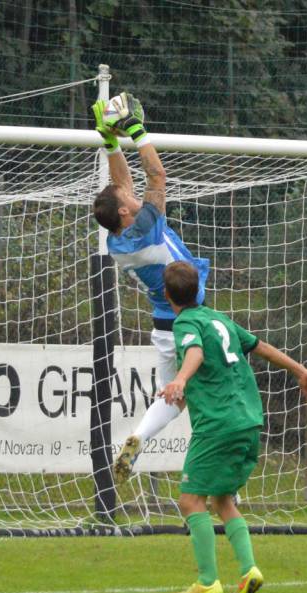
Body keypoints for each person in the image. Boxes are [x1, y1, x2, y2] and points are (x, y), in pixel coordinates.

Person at [158, 261, 307, 593]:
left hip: (218, 423)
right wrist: (301, 371)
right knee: (222, 499)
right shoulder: (219, 319)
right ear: (199, 290)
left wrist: (180, 379)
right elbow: (259, 346)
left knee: (190, 500)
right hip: (248, 418)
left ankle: (207, 581)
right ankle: (249, 571)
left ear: (166, 295)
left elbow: (196, 352)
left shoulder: (185, 322)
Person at [91, 92, 210, 482]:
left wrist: (109, 139)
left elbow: (120, 183)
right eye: (128, 198)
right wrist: (136, 130)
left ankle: (139, 436)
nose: (132, 193)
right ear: (126, 212)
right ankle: (224, 481)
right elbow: (156, 176)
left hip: (163, 324)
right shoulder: (144, 227)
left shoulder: (118, 238)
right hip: (194, 316)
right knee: (212, 394)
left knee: (170, 396)